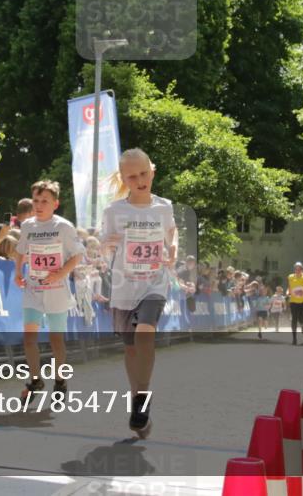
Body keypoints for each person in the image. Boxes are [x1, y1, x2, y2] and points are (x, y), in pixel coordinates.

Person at [101, 148, 177, 439]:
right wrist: (110, 242)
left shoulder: (163, 207)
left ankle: (142, 399)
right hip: (124, 286)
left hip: (154, 282)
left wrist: (173, 250)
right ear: (124, 178)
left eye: (144, 173)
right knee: (131, 348)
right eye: (132, 176)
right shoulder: (114, 211)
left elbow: (172, 233)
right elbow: (104, 248)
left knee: (145, 333)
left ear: (152, 172)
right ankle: (137, 400)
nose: (140, 179)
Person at [14, 180, 84, 398]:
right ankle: (35, 380)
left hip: (56, 290)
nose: (39, 205)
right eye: (36, 200)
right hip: (34, 288)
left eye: (45, 201)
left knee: (56, 340)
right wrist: (17, 272)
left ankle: (60, 380)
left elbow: (77, 255)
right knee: (29, 338)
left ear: (55, 203)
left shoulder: (63, 226)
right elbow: (20, 251)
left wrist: (61, 273)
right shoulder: (27, 226)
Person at [287, 262, 303, 345]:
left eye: (299, 269)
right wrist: (288, 292)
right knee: (294, 319)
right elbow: (290, 288)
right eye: (296, 269)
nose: (297, 270)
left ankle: (302, 324)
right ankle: (294, 339)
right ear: (294, 269)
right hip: (293, 301)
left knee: (301, 318)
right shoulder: (290, 277)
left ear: (302, 269)